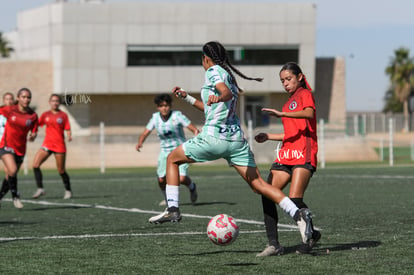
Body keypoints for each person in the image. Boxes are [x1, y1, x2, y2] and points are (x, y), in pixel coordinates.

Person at [148, 41, 314, 247]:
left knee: (172, 159)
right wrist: (187, 98)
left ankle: (172, 209)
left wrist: (219, 97)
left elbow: (223, 93)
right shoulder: (228, 75)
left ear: (206, 58)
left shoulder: (213, 71)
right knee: (259, 185)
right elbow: (212, 105)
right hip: (236, 141)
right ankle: (298, 214)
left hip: (215, 138)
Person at [254, 62, 321, 256]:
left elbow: (309, 113)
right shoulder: (287, 102)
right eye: (282, 80)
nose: (285, 83)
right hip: (286, 153)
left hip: (303, 153)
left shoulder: (305, 94)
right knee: (267, 194)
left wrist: (282, 114)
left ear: (299, 77)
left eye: (288, 79)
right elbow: (290, 133)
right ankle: (274, 244)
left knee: (294, 199)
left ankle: (309, 237)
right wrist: (268, 136)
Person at [137, 93, 199, 211]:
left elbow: (193, 128)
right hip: (165, 153)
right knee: (161, 180)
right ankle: (167, 199)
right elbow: (146, 132)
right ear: (157, 107)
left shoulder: (178, 116)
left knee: (181, 178)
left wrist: (196, 133)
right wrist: (140, 142)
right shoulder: (155, 118)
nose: (164, 108)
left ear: (170, 106)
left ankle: (191, 187)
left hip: (180, 150)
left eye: (166, 105)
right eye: (161, 106)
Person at [0, 88, 38, 208]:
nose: (26, 99)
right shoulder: (10, 110)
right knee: (12, 170)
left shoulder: (32, 115)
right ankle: (15, 196)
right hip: (6, 145)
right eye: (23, 97)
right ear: (18, 98)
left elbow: (34, 130)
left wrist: (33, 135)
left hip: (21, 148)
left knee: (9, 175)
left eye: (28, 97)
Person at [32, 94, 73, 200]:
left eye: (57, 101)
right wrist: (33, 133)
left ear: (59, 103)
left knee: (61, 170)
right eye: (53, 101)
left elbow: (67, 127)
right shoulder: (45, 115)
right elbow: (36, 125)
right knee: (35, 164)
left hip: (59, 145)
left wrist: (69, 135)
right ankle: (40, 188)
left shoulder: (63, 115)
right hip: (47, 144)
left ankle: (68, 190)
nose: (55, 103)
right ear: (49, 102)